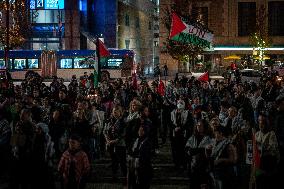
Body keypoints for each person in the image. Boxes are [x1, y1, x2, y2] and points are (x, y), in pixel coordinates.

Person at [103, 105, 127, 180]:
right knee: (114, 161)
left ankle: (125, 176)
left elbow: (124, 133)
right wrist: (107, 139)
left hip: (120, 144)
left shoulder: (123, 121)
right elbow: (105, 130)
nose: (115, 114)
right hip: (111, 144)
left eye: (117, 112)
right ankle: (114, 175)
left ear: (120, 113)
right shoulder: (110, 120)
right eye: (114, 112)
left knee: (122, 161)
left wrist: (115, 140)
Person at [128, 125, 153, 189]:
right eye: (139, 130)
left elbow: (146, 154)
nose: (139, 132)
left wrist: (137, 156)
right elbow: (131, 150)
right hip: (134, 166)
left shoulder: (147, 141)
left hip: (143, 167)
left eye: (142, 131)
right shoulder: (136, 140)